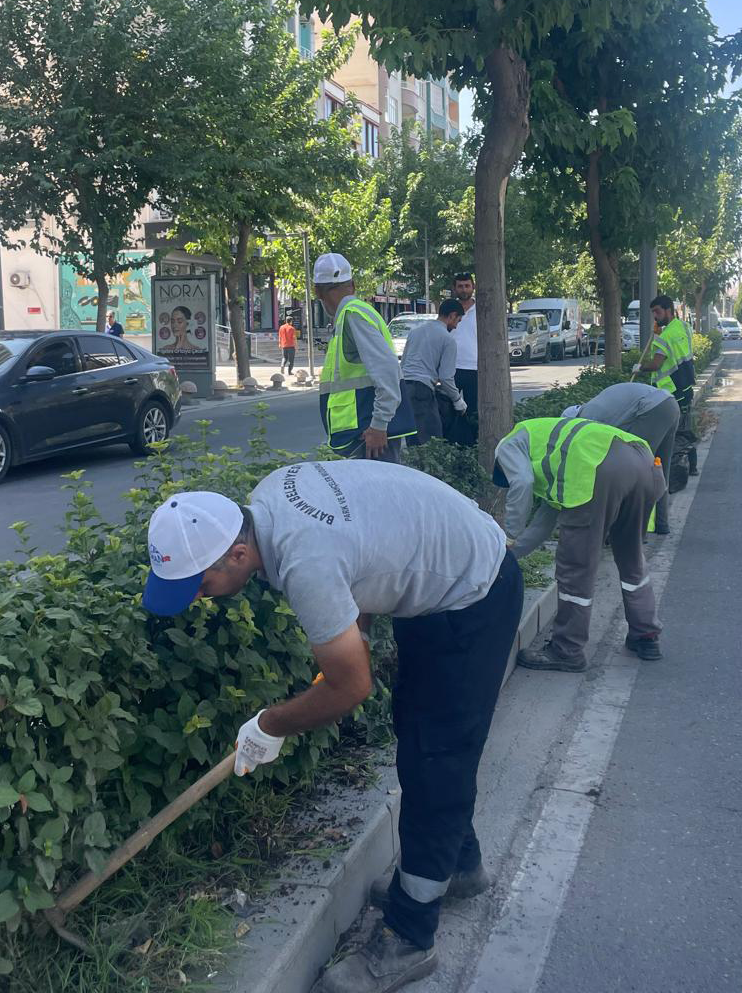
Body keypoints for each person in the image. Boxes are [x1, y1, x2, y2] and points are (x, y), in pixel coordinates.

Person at [142, 461, 524, 993]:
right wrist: (357, 635)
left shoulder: (304, 561)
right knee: (420, 738)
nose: (199, 595)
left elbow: (350, 688)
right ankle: (457, 864)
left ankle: (410, 937)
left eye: (201, 582)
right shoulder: (266, 502)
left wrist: (270, 724)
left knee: (437, 756)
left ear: (237, 554)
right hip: (442, 582)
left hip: (474, 593)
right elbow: (360, 555)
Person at [497, 415, 667, 670]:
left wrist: (507, 535)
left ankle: (566, 650)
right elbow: (542, 525)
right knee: (631, 557)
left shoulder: (507, 446)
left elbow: (521, 483)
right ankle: (646, 635)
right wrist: (506, 556)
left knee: (576, 568)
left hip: (597, 469)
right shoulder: (551, 451)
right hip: (644, 461)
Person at [313, 253, 414, 461]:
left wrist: (379, 425)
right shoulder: (353, 314)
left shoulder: (353, 315)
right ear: (353, 285)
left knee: (377, 492)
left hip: (371, 436)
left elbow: (387, 371)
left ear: (317, 292)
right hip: (366, 433)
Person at [565, 381, 679, 535]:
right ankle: (661, 524)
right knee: (659, 468)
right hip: (669, 404)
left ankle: (635, 533)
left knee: (637, 471)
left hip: (652, 410)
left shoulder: (587, 418)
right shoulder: (597, 405)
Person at [636, 294, 698, 475]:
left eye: (657, 312)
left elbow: (656, 364)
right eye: (653, 312)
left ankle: (671, 469)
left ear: (668, 310)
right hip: (686, 384)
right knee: (685, 426)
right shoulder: (684, 327)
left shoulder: (663, 338)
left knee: (671, 430)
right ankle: (691, 466)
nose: (655, 316)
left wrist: (639, 367)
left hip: (669, 390)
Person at [399, 299, 467, 443]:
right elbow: (445, 377)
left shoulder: (415, 332)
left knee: (413, 438)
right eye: (458, 321)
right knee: (431, 441)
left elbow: (403, 364)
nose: (456, 326)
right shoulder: (448, 340)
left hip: (404, 388)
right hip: (421, 391)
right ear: (452, 316)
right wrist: (457, 400)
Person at [448, 272, 478, 446]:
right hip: (451, 369)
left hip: (475, 368)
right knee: (449, 409)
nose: (464, 289)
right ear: (454, 288)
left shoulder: (482, 309)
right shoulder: (448, 309)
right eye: (460, 286)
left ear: (473, 287)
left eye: (467, 285)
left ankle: (472, 445)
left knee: (473, 411)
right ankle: (450, 446)